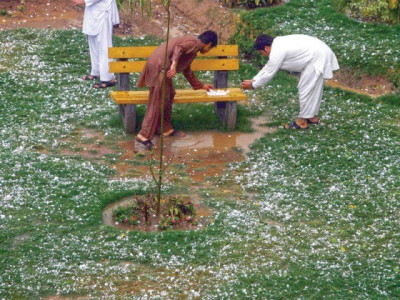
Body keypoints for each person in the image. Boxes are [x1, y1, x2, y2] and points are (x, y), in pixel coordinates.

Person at [135, 30, 218, 150]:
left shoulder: (193, 48)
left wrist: (201, 86)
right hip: (159, 67)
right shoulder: (194, 43)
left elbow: (187, 70)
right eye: (210, 48)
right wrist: (174, 64)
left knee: (170, 94)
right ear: (209, 44)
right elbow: (179, 48)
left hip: (162, 67)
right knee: (158, 100)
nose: (208, 50)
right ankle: (143, 136)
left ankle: (165, 128)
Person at [241, 34, 339, 129]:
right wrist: (254, 79)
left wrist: (253, 85)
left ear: (266, 48)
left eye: (261, 53)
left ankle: (302, 122)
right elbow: (269, 66)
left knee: (306, 89)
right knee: (313, 88)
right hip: (319, 52)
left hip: (317, 56)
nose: (263, 55)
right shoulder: (277, 43)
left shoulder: (277, 51)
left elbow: (269, 73)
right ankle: (312, 117)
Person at [72, 0, 119, 88]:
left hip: (103, 11)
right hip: (93, 11)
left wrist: (84, 1)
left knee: (104, 46)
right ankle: (96, 72)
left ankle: (108, 78)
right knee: (93, 43)